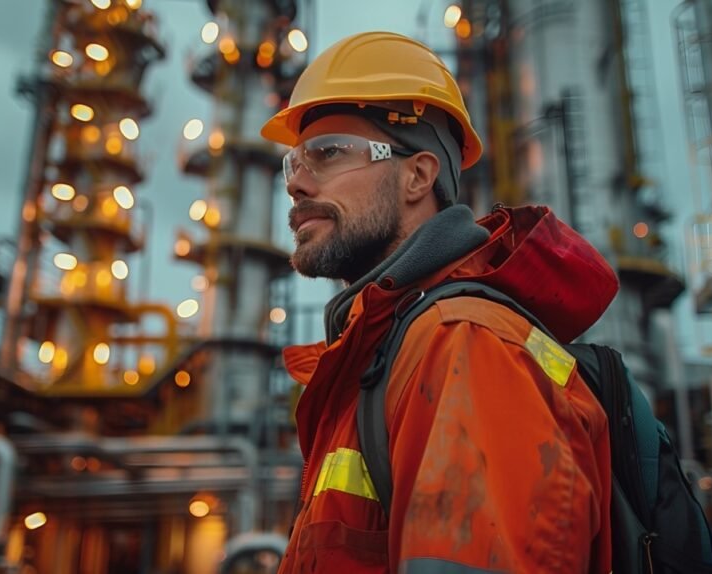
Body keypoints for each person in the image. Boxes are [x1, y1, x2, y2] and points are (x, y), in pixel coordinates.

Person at [260, 31, 617, 573]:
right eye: (295, 163)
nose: (297, 184)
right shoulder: (382, 353)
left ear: (418, 176)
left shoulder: (464, 345)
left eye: (328, 153)